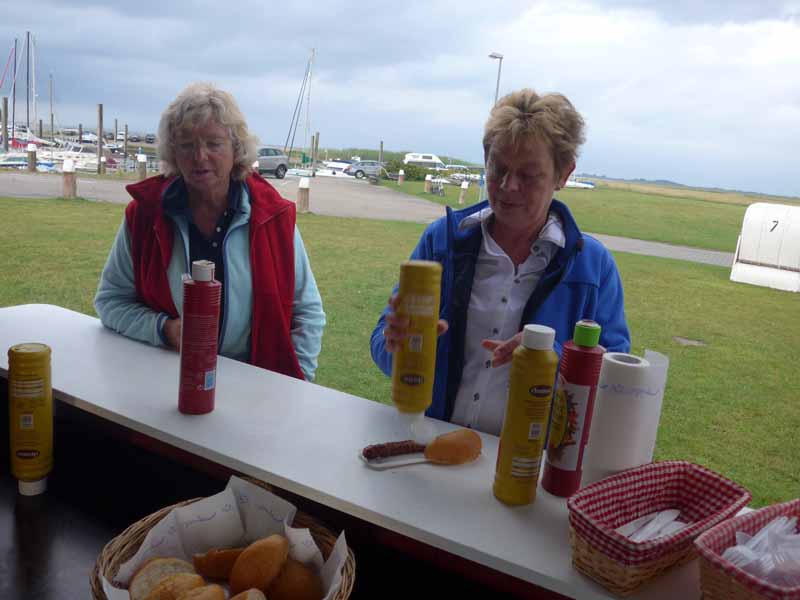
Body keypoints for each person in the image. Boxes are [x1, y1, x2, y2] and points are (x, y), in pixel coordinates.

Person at [371, 88, 630, 435]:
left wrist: (549, 357)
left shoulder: (592, 267)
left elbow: (615, 384)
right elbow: (382, 346)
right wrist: (397, 345)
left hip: (527, 461)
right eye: (499, 168)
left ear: (563, 175)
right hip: (431, 446)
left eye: (529, 175)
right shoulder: (441, 242)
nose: (508, 186)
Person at [95, 82, 325, 381]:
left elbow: (307, 313)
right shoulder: (144, 216)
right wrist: (163, 329)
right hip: (167, 380)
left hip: (255, 385)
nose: (200, 156)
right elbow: (110, 302)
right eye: (187, 145)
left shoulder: (273, 218)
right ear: (173, 152)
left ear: (236, 150)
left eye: (214, 144)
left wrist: (298, 383)